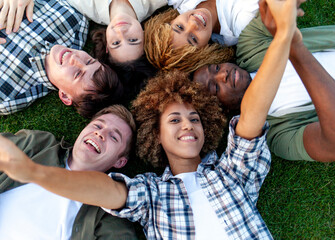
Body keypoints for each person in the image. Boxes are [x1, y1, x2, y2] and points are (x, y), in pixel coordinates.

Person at [0, 0, 300, 238]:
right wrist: (34, 173)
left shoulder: (233, 172)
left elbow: (253, 114)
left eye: (194, 118)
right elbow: (105, 191)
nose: (187, 125)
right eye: (174, 121)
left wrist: (285, 36)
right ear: (155, 136)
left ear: (207, 126)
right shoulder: (152, 194)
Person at [193, 1, 335, 162]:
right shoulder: (279, 133)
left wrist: (284, 7)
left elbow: (275, 9)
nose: (223, 74)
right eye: (215, 87)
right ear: (221, 110)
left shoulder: (250, 47)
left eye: (215, 68)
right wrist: (293, 47)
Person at [0, 105, 138, 239]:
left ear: (119, 162)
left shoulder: (109, 213)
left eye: (114, 137)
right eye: (97, 126)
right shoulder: (39, 144)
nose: (100, 133)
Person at [0, 0, 123, 118]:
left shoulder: (8, 96)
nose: (76, 58)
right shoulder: (74, 23)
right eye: (89, 61)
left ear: (65, 96)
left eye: (77, 74)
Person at [143, 0, 263, 72]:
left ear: (171, 20)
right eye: (193, 39)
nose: (193, 24)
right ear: (204, 51)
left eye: (179, 27)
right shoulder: (241, 24)